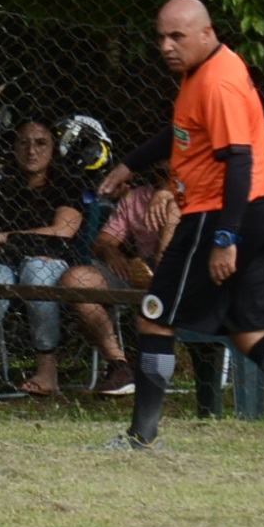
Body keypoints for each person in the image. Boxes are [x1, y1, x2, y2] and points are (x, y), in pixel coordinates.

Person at [95, 0, 264, 458]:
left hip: (219, 217)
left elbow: (240, 161)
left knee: (155, 317)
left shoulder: (218, 83)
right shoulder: (202, 71)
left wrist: (224, 239)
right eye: (160, 36)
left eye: (176, 36)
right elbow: (180, 131)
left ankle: (141, 438)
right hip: (251, 214)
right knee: (248, 329)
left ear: (206, 32)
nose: (166, 46)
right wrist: (129, 164)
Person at [0, 120, 82, 397]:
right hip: (4, 263)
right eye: (23, 142)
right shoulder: (0, 186)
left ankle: (47, 368)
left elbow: (63, 231)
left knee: (35, 270)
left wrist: (7, 236)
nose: (31, 150)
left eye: (41, 143)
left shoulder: (67, 185)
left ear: (54, 148)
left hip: (49, 262)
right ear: (13, 148)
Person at [56, 170, 179, 397]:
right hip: (140, 274)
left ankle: (155, 372)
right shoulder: (135, 197)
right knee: (76, 279)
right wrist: (112, 253)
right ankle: (119, 365)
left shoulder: (202, 190)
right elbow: (103, 241)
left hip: (184, 278)